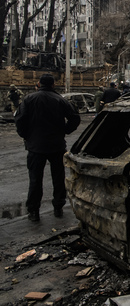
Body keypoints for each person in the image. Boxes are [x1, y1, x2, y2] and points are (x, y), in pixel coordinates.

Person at [14, 74, 81, 221]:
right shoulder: (60, 100)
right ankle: (58, 207)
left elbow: (19, 119)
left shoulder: (29, 99)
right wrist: (65, 130)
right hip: (56, 145)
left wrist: (26, 136)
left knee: (35, 179)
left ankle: (33, 211)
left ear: (38, 83)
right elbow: (75, 118)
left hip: (35, 146)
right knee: (58, 178)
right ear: (53, 85)